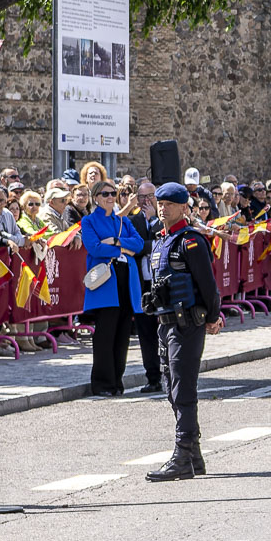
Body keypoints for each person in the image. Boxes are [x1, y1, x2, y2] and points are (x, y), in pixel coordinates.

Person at [143, 182, 223, 481]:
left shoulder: (190, 241)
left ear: (183, 208)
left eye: (168, 204)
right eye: (159, 203)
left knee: (182, 388)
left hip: (187, 324)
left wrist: (214, 318)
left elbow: (208, 286)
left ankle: (181, 454)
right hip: (165, 325)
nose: (162, 208)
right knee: (171, 388)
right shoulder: (161, 240)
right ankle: (194, 458)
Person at [79, 178, 145, 396]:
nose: (110, 197)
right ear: (96, 198)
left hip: (126, 280)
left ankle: (117, 381)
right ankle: (102, 383)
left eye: (112, 193)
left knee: (123, 335)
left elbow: (139, 244)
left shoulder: (123, 221)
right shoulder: (89, 221)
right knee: (105, 335)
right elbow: (94, 248)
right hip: (106, 282)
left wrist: (116, 242)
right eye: (105, 194)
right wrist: (123, 250)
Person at [122, 177, 164, 395]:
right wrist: (149, 246)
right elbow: (134, 247)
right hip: (142, 284)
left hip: (164, 283)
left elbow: (165, 242)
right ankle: (153, 377)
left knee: (167, 329)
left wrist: (154, 222)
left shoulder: (165, 218)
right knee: (146, 333)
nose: (147, 201)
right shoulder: (133, 221)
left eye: (150, 197)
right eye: (142, 197)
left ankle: (170, 371)